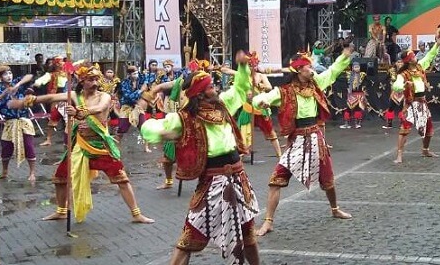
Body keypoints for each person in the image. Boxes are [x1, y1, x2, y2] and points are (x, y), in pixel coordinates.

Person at [140, 63, 260, 265]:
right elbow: (154, 130)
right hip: (212, 182)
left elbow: (239, 89)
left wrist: (242, 67)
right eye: (211, 87)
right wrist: (146, 120)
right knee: (188, 237)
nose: (215, 89)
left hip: (239, 179)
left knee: (248, 236)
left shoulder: (223, 106)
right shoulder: (185, 118)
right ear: (200, 93)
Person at [10, 64, 154, 225]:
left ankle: (136, 214)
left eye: (95, 79)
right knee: (60, 178)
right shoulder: (74, 95)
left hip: (100, 146)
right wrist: (29, 101)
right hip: (79, 145)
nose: (94, 83)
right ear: (81, 81)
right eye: (90, 79)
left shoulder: (103, 96)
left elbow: (100, 108)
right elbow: (52, 98)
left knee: (122, 179)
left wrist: (79, 112)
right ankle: (62, 211)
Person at [253, 47, 354, 236]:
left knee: (328, 179)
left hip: (316, 138)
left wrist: (343, 57)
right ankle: (268, 222)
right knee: (276, 180)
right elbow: (262, 99)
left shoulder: (316, 84)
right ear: (299, 71)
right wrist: (260, 102)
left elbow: (332, 71)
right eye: (308, 67)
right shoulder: (284, 91)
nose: (312, 70)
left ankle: (334, 209)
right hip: (297, 140)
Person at [392, 40, 440, 163]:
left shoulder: (420, 67)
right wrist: (404, 84)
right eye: (413, 56)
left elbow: (429, 56)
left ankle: (425, 150)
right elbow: (396, 86)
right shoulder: (403, 74)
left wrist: (437, 44)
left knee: (429, 128)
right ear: (408, 60)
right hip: (410, 104)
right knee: (404, 129)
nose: (415, 57)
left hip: (422, 103)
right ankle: (399, 155)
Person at [0, 65, 37, 181]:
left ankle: (32, 172)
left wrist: (17, 85)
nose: (9, 76)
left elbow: (30, 76)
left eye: (10, 73)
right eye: (5, 74)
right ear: (0, 77)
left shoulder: (17, 83)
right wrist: (5, 92)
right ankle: (5, 171)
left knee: (29, 146)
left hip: (24, 120)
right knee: (6, 148)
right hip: (10, 122)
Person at [233, 51, 283, 158]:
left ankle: (279, 153)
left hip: (260, 107)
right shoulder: (243, 77)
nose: (251, 67)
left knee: (270, 132)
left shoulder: (261, 76)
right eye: (249, 65)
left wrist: (259, 85)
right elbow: (231, 75)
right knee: (243, 133)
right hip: (248, 108)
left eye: (253, 65)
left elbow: (269, 87)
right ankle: (241, 154)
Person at [341, 62, 368, 129]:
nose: (357, 68)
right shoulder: (349, 75)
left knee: (357, 109)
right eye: (355, 67)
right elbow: (346, 84)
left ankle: (357, 123)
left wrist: (363, 90)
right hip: (351, 95)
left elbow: (366, 83)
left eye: (358, 67)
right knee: (348, 109)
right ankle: (346, 123)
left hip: (359, 94)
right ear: (352, 68)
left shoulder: (362, 75)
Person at [383, 60, 405, 129]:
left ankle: (402, 124)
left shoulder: (406, 71)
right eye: (398, 62)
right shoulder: (391, 71)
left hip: (403, 92)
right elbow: (385, 79)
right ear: (395, 63)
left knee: (402, 108)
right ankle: (389, 124)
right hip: (394, 92)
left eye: (401, 62)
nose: (400, 63)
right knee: (391, 108)